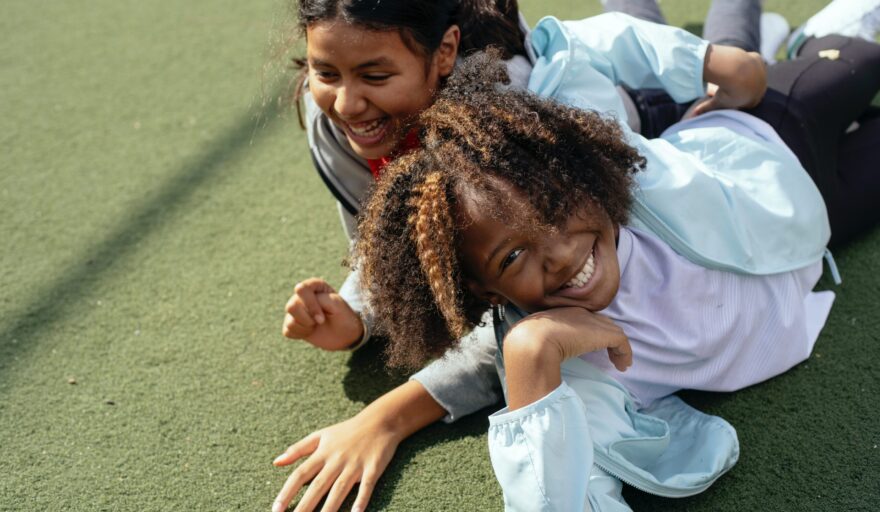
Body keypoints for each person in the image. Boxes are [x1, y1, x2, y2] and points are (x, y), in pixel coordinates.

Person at [273, 2, 880, 511]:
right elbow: (397, 258)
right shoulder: (552, 340)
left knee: (816, 59)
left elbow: (598, 43)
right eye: (326, 73)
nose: (348, 104)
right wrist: (362, 312)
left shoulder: (533, 112)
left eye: (374, 74)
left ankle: (791, 42)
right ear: (488, 292)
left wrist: (715, 65)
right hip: (807, 222)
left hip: (721, 134)